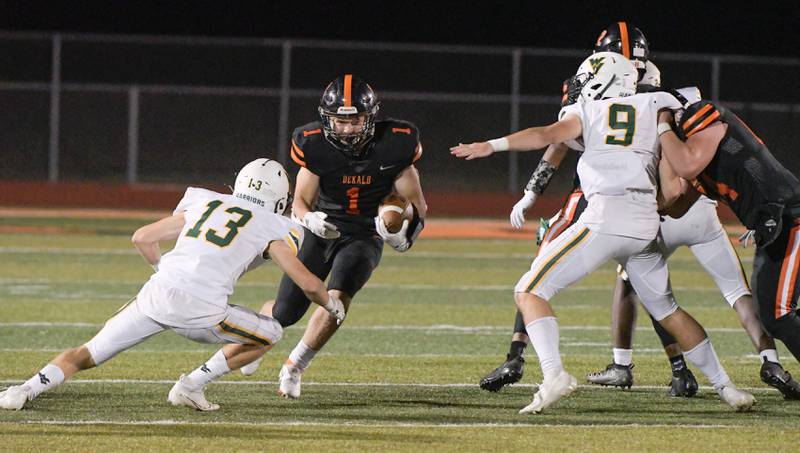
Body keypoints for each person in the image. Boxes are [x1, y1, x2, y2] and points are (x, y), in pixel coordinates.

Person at [452, 52, 755, 413]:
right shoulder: (658, 102)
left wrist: (491, 145)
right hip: (645, 220)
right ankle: (727, 387)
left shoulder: (589, 112)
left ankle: (554, 376)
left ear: (604, 81)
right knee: (668, 310)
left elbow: (545, 136)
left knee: (529, 290)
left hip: (605, 217)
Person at [0, 158, 346, 412]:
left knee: (86, 354)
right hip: (204, 312)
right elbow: (307, 283)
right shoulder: (271, 225)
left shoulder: (205, 201)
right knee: (271, 333)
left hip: (157, 294)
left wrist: (163, 267)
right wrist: (332, 306)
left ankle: (24, 390)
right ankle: (191, 385)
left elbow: (142, 237)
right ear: (279, 199)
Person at [202, 74, 427, 399]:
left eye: (356, 121)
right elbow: (300, 202)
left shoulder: (397, 142)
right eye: (339, 121)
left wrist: (406, 234)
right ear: (327, 118)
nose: (347, 129)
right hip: (323, 228)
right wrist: (310, 219)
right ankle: (257, 337)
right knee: (284, 314)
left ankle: (295, 365)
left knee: (337, 299)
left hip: (365, 233)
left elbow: (417, 205)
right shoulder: (313, 142)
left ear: (371, 117)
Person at [658, 96, 800, 374]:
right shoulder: (694, 151)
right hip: (773, 224)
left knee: (778, 315)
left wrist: (662, 127)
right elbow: (674, 201)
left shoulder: (701, 115)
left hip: (789, 215)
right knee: (772, 314)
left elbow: (686, 165)